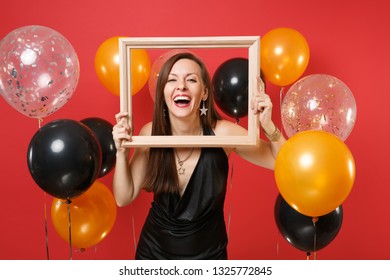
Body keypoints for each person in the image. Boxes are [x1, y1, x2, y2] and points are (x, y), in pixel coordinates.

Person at [112, 52, 286, 259]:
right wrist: (121, 152)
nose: (181, 86)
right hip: (153, 253)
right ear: (163, 92)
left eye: (191, 79)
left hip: (209, 255)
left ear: (204, 92)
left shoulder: (223, 133)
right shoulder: (150, 134)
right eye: (172, 80)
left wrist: (268, 126)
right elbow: (123, 197)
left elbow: (282, 162)